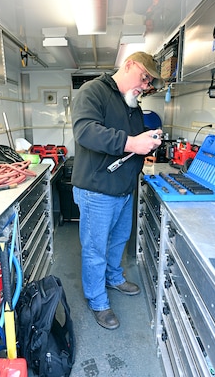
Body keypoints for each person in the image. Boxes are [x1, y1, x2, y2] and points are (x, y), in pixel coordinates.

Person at [71, 52, 163, 330]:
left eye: (149, 83)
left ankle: (113, 277)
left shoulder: (132, 103)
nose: (145, 85)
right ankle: (97, 300)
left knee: (119, 239)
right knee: (95, 248)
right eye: (144, 77)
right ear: (129, 65)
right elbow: (85, 131)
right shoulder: (93, 91)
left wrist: (145, 146)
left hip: (123, 189)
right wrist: (132, 143)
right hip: (97, 189)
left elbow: (132, 142)